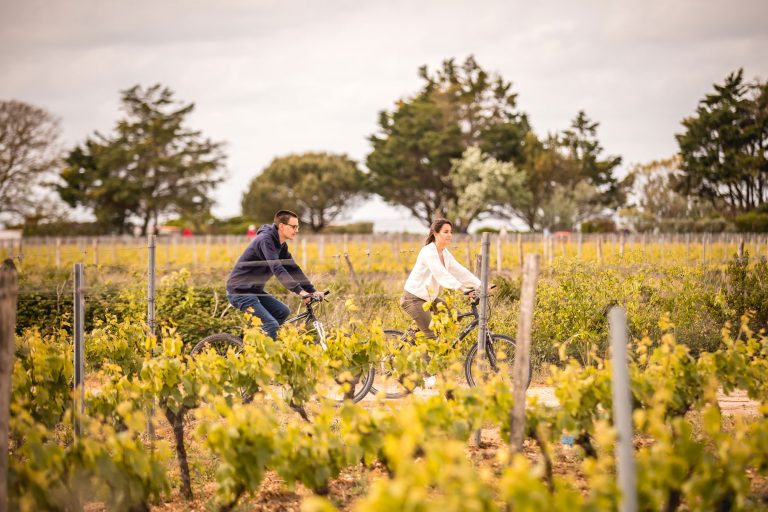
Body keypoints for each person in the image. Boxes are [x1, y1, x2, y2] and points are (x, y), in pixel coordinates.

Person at [226, 210, 324, 339]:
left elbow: (293, 269)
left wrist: (312, 290)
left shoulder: (281, 245)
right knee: (271, 325)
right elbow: (277, 268)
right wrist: (300, 291)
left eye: (298, 227)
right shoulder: (266, 240)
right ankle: (259, 349)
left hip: (254, 290)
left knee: (282, 312)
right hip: (239, 291)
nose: (297, 230)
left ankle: (253, 341)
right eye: (294, 227)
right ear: (282, 226)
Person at [401, 218, 481, 339]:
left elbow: (460, 271)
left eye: (451, 232)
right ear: (435, 233)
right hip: (414, 298)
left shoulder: (445, 253)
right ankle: (430, 343)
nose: (449, 235)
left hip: (429, 299)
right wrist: (463, 288)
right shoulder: (428, 251)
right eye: (446, 232)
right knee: (431, 335)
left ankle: (435, 340)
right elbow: (441, 274)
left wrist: (480, 285)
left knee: (456, 316)